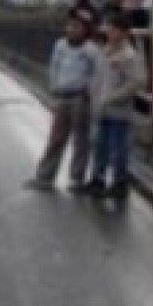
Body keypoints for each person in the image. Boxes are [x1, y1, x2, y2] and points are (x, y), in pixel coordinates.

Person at [24, 10, 100, 192]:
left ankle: (77, 178)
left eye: (77, 26)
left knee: (81, 140)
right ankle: (45, 176)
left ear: (85, 29)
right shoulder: (60, 46)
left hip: (81, 98)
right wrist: (54, 88)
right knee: (56, 137)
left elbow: (97, 74)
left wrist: (92, 92)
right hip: (63, 96)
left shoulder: (90, 50)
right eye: (70, 25)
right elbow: (54, 67)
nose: (72, 29)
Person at [85, 14, 146, 199]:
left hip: (118, 110)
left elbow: (137, 82)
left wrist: (113, 97)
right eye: (108, 28)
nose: (109, 32)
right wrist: (95, 98)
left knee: (118, 147)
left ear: (124, 33)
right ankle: (98, 178)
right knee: (99, 146)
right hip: (102, 108)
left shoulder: (129, 56)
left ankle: (120, 182)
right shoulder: (104, 52)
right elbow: (97, 78)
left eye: (113, 29)